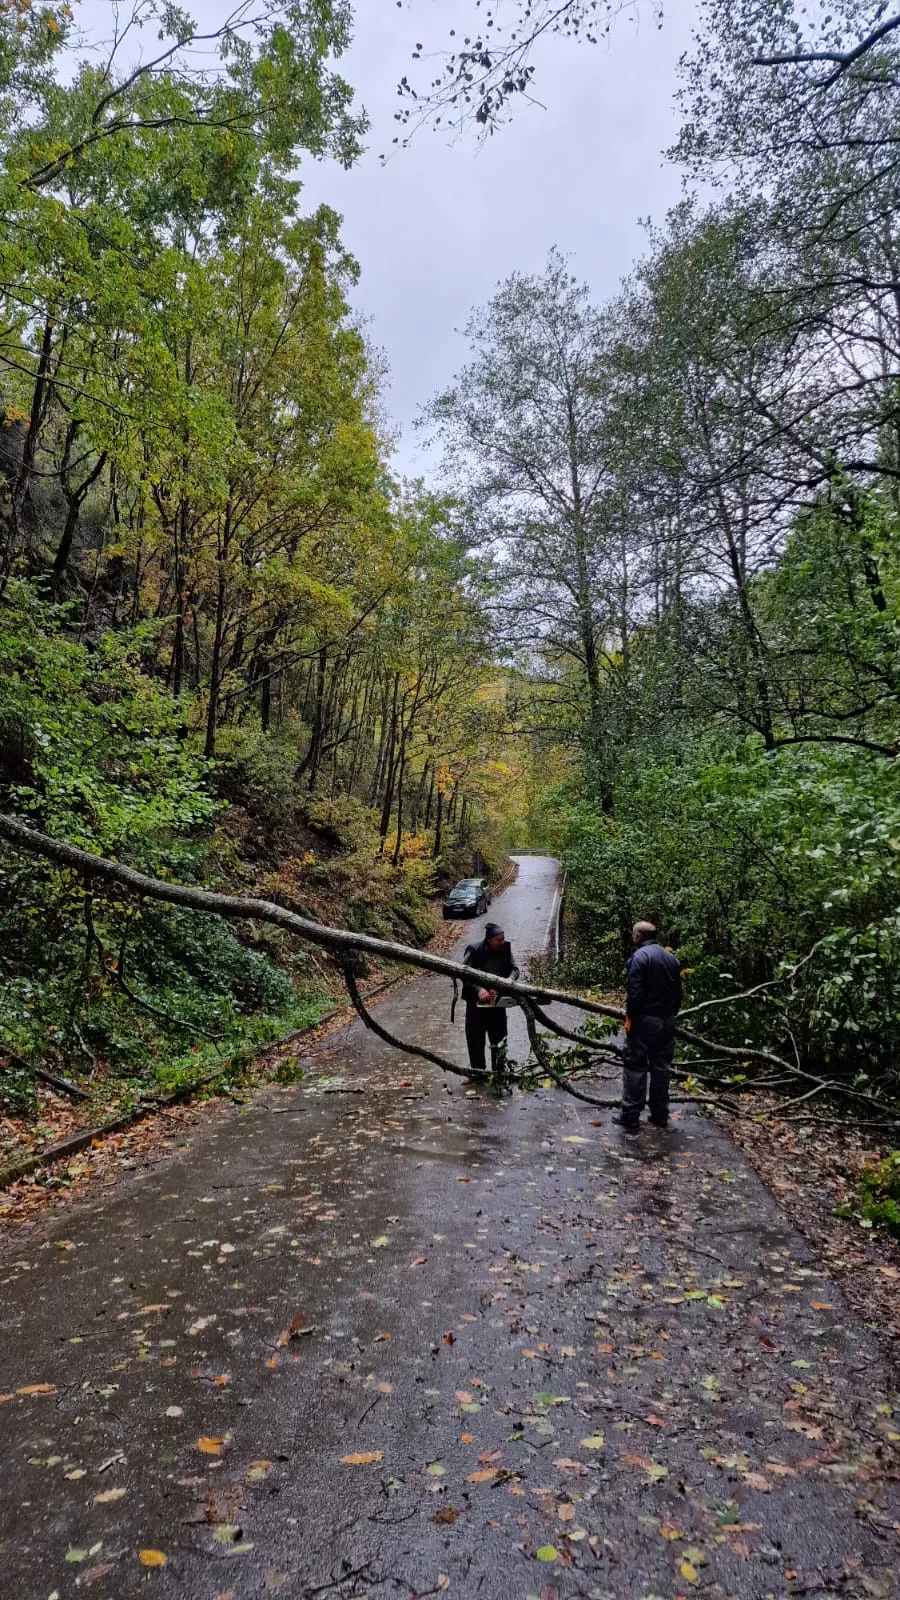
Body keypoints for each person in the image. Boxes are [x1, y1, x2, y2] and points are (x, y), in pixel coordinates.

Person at [617, 920, 682, 1133]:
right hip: (667, 1021)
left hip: (645, 1020)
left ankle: (630, 1116)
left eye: (633, 933)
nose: (632, 936)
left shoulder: (640, 958)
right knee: (661, 1068)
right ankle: (660, 1115)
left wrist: (631, 1020)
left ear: (639, 936)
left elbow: (634, 994)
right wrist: (671, 1015)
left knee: (635, 1066)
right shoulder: (671, 959)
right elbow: (678, 993)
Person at [461, 922, 520, 1079]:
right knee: (475, 1041)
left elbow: (515, 969)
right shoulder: (474, 950)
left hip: (497, 1004)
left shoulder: (505, 949)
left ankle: (499, 1073)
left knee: (499, 1040)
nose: (502, 942)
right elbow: (464, 973)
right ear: (489, 940)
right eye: (498, 940)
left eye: (503, 939)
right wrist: (478, 989)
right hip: (476, 1007)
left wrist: (508, 981)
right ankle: (478, 1074)